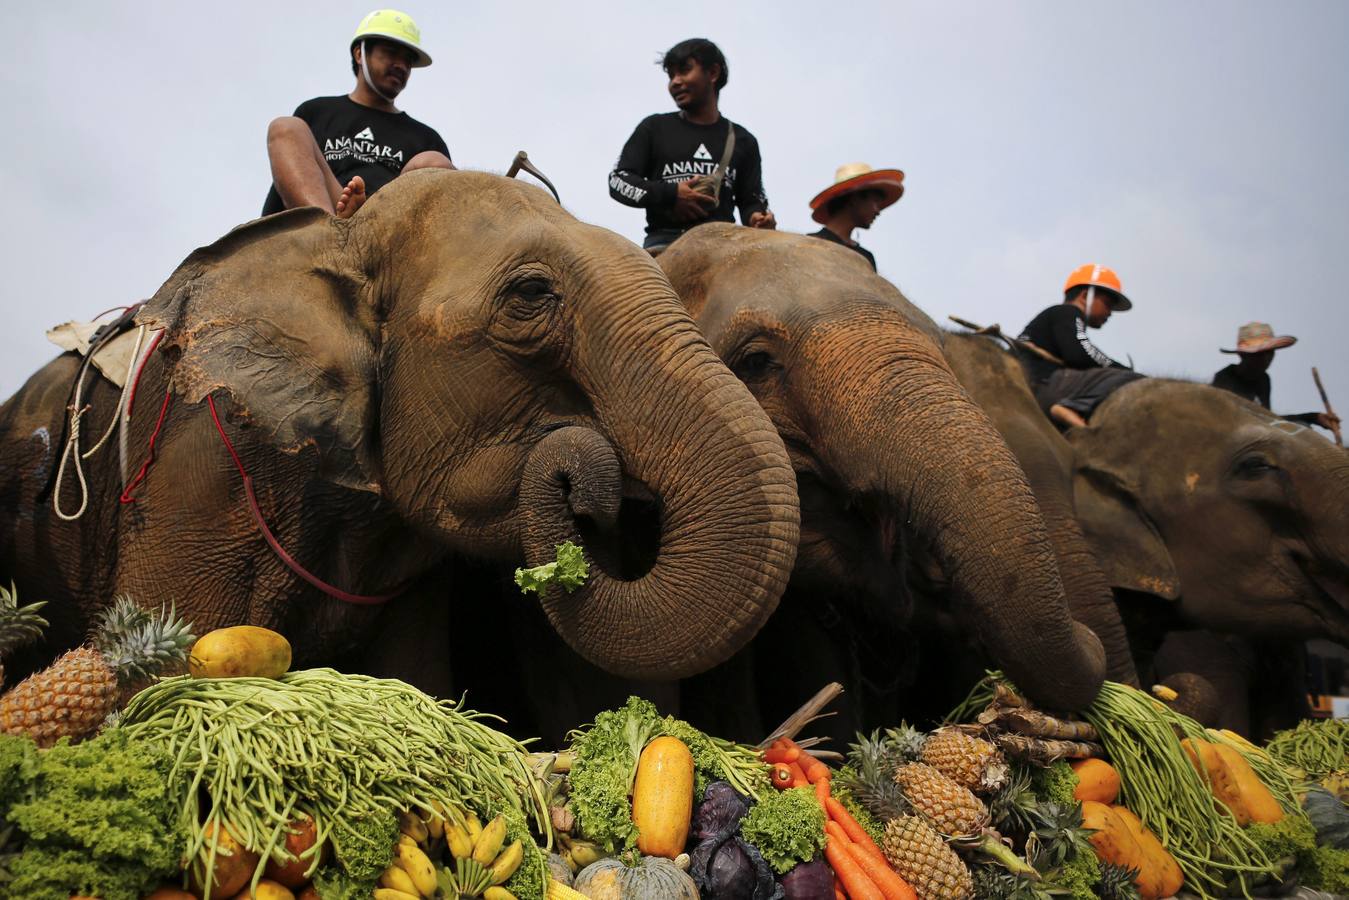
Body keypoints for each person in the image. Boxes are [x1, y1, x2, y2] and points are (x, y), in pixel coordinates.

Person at [262, 9, 453, 219]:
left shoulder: (425, 138)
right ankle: (326, 232)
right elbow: (287, 183)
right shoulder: (316, 112)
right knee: (286, 127)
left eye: (407, 60)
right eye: (390, 53)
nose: (401, 65)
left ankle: (356, 229)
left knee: (434, 161)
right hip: (331, 212)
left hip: (386, 223)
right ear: (360, 54)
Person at [609, 38, 776, 254]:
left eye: (684, 71)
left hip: (725, 250)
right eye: (671, 76)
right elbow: (618, 181)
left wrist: (759, 219)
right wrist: (670, 194)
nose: (675, 82)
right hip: (663, 248)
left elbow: (751, 201)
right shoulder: (654, 128)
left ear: (713, 73)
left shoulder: (744, 140)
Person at [1017, 263, 1145, 429]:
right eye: (1107, 304)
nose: (1110, 313)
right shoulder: (1068, 312)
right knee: (1132, 378)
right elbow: (1078, 353)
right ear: (1085, 296)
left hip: (1037, 383)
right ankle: (1074, 406)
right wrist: (1121, 368)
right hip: (1046, 384)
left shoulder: (1057, 317)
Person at [1211, 322, 1341, 431]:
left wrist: (1314, 418)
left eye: (1269, 353)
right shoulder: (1225, 378)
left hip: (1257, 434)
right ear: (1242, 355)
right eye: (1258, 354)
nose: (1266, 359)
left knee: (1303, 428)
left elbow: (1268, 420)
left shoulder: (1263, 380)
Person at [806, 163, 905, 271]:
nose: (878, 211)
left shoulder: (865, 258)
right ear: (855, 199)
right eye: (875, 202)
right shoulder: (809, 245)